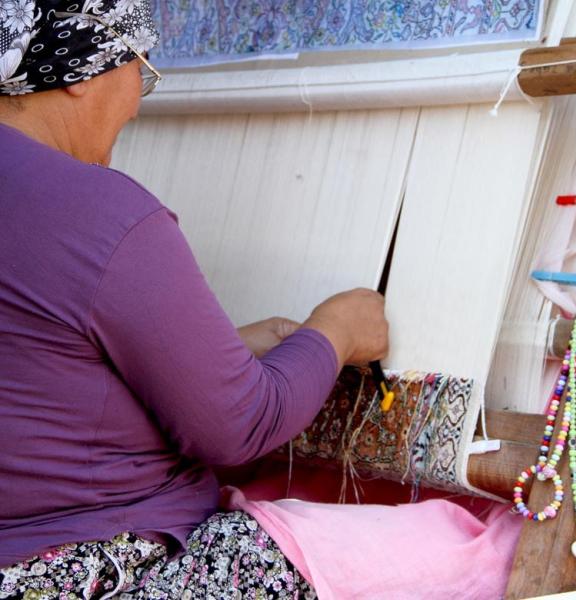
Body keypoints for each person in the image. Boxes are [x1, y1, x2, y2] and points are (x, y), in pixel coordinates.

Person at [0, 1, 388, 598]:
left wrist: (216, 352)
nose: (138, 96)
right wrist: (336, 330)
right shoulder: (100, 211)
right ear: (81, 70)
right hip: (83, 567)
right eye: (141, 68)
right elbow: (239, 427)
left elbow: (34, 372)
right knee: (448, 544)